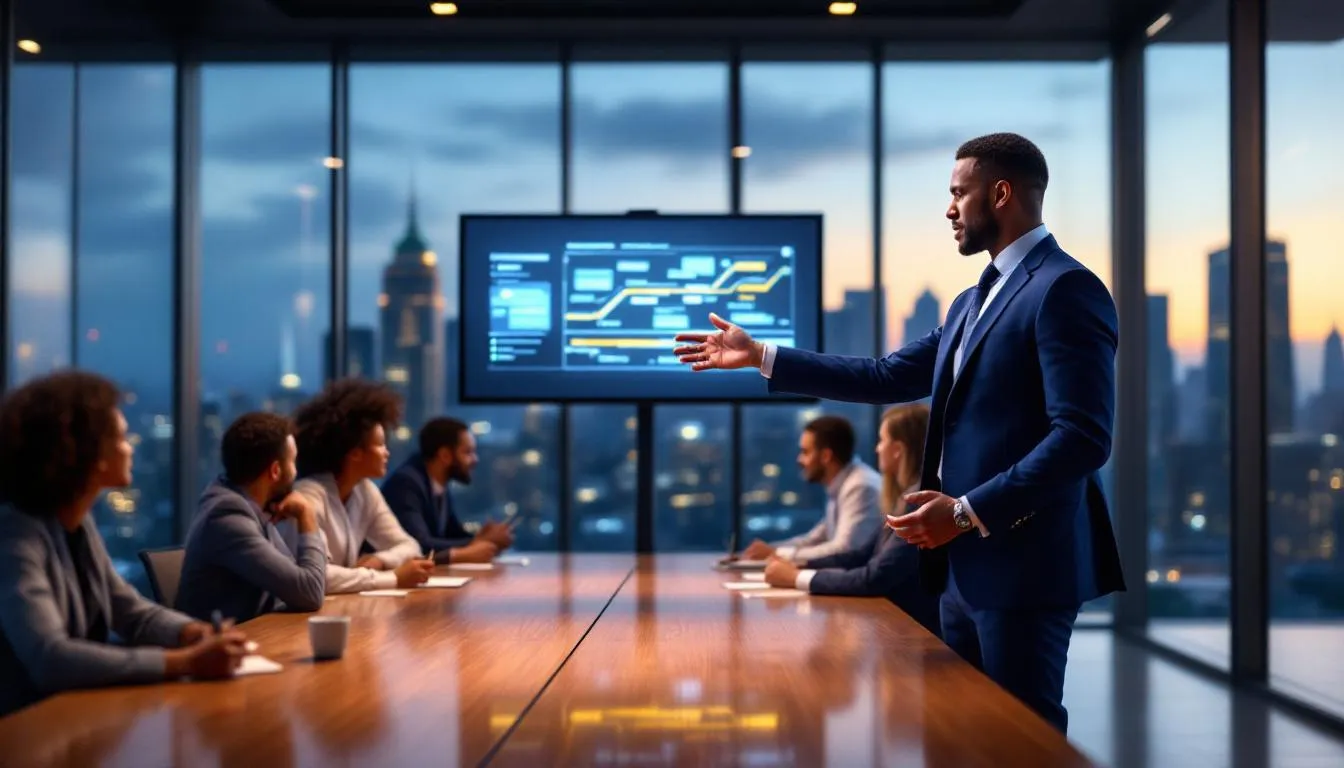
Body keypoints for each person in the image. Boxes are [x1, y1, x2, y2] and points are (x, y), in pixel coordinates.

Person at [673, 132, 1124, 733]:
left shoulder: (1065, 288)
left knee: (1022, 739)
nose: (949, 209)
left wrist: (965, 512)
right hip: (957, 570)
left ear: (1002, 193)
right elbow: (884, 376)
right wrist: (762, 355)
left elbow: (1083, 438)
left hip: (1022, 566)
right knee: (960, 735)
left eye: (959, 194)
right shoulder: (971, 302)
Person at [0, 371, 247, 716]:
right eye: (119, 437)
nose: (129, 446)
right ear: (85, 453)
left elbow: (126, 609)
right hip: (26, 730)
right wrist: (184, 662)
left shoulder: (77, 522)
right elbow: (50, 659)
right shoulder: (16, 535)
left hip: (78, 716)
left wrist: (191, 632)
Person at [763, 404, 941, 636]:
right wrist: (798, 566)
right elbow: (858, 555)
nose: (877, 449)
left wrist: (797, 577)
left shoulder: (915, 500)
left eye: (881, 440)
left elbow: (875, 577)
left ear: (898, 449)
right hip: (893, 624)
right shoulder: (902, 497)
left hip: (909, 632)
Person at [177, 412, 327, 624]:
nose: (296, 472)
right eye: (293, 462)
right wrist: (307, 514)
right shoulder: (228, 515)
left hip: (253, 637)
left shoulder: (243, 502)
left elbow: (297, 581)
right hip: (218, 649)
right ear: (275, 471)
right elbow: (309, 592)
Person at [290, 380, 435, 594]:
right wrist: (393, 577)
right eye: (380, 445)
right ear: (355, 453)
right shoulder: (308, 496)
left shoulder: (365, 491)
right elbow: (318, 576)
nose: (387, 453)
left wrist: (379, 560)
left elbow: (410, 546)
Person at [738, 415, 882, 563]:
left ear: (826, 456)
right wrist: (770, 551)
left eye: (805, 452)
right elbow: (816, 539)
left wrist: (777, 553)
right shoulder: (842, 484)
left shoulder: (860, 487)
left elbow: (844, 549)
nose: (799, 460)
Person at [381, 417, 510, 565]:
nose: (475, 459)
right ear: (445, 456)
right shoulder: (406, 484)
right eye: (468, 452)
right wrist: (478, 542)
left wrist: (483, 539)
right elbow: (419, 544)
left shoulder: (438, 482)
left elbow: (451, 533)